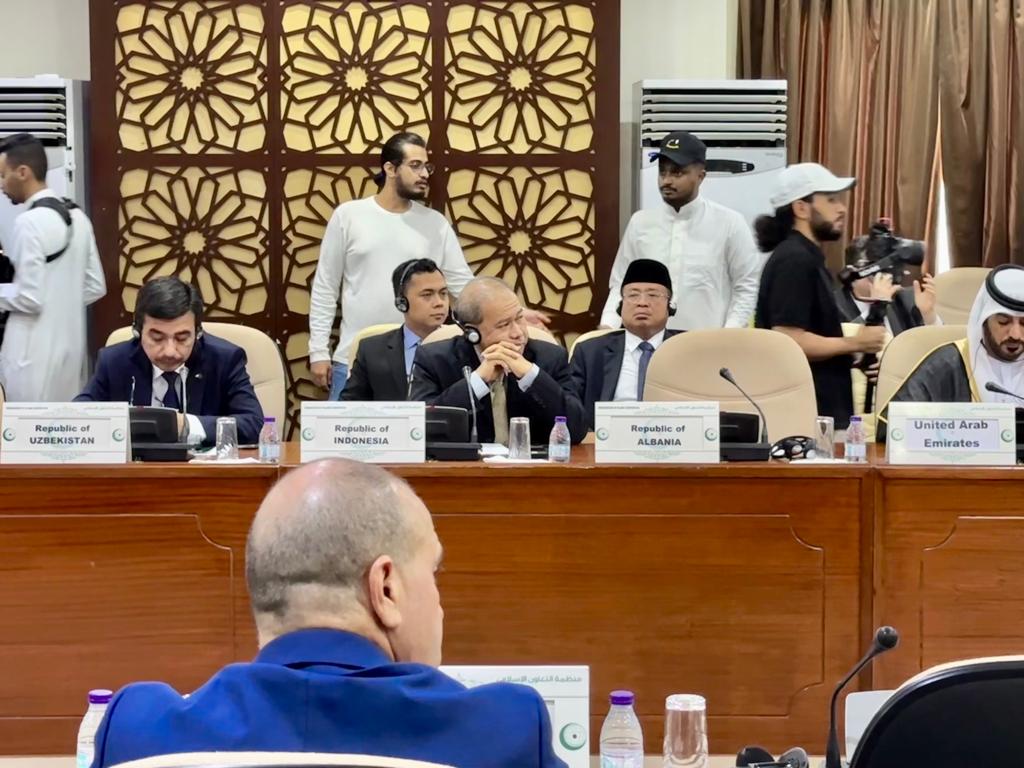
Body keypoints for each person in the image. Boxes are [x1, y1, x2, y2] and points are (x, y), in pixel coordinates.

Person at [90, 459, 567, 768]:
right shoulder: (507, 729)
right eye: (433, 572)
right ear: (385, 588)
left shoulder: (137, 729)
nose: (439, 602)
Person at [308, 132, 551, 401]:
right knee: (346, 427)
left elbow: (464, 287)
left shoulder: (434, 223)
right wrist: (318, 351)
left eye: (427, 166)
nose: (424, 174)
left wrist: (514, 313)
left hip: (425, 358)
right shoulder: (349, 216)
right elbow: (325, 286)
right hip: (355, 358)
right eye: (415, 166)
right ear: (390, 168)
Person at [754, 162, 886, 430]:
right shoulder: (794, 260)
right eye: (831, 200)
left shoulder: (805, 257)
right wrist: (855, 343)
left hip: (818, 412)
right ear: (801, 208)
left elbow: (812, 332)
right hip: (806, 419)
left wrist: (854, 356)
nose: (842, 208)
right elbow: (789, 340)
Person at [600, 130, 762, 332]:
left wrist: (729, 334)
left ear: (700, 176)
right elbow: (621, 283)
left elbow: (747, 286)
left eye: (677, 173)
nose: (666, 181)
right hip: (649, 344)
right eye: (662, 172)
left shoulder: (730, 223)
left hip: (707, 343)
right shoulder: (640, 223)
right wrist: (608, 326)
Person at [76, 276, 264, 445]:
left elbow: (253, 424)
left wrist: (186, 425)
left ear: (198, 333)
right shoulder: (114, 361)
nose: (170, 351)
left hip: (201, 470)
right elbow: (77, 417)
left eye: (182, 338)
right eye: (157, 338)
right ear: (138, 332)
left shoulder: (224, 360)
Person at [410, 277, 588, 445]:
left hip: (532, 465)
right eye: (504, 325)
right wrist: (477, 382)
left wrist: (531, 376)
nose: (518, 333)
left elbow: (576, 430)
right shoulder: (434, 360)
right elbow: (419, 429)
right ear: (472, 333)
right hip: (466, 466)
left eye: (519, 318)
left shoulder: (550, 357)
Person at [0, 132, 106, 401]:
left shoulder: (28, 223)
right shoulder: (78, 217)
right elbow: (96, 286)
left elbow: (29, 298)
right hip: (71, 354)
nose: (1, 185)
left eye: (3, 175)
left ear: (22, 172)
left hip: (29, 355)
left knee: (23, 426)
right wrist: (60, 303)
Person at [880, 264, 1024, 418]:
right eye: (1003, 322)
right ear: (984, 320)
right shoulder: (948, 364)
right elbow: (897, 422)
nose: (1016, 335)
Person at [571, 258, 681, 429]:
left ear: (669, 305)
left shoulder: (687, 350)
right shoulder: (590, 352)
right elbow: (570, 410)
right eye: (633, 295)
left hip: (673, 437)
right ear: (621, 304)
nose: (642, 302)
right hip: (607, 439)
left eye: (653, 295)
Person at [341, 258, 450, 401]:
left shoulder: (463, 346)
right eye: (427, 295)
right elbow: (349, 405)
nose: (439, 303)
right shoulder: (372, 351)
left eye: (443, 293)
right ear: (401, 303)